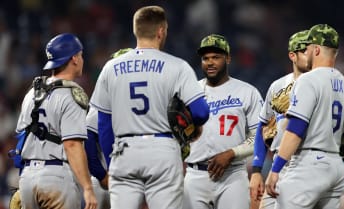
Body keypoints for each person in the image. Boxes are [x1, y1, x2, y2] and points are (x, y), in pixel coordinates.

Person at [89, 5, 210, 209]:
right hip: (162, 149)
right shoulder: (177, 66)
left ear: (136, 30)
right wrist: (187, 126)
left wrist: (112, 167)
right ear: (161, 31)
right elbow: (201, 112)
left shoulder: (110, 68)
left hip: (123, 151)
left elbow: (103, 124)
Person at [265, 24, 344, 209]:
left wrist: (275, 169)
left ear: (316, 49)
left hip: (309, 164)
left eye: (307, 48)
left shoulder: (307, 80)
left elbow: (296, 129)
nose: (306, 52)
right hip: (337, 169)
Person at [16, 33, 97, 209]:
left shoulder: (31, 93)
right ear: (74, 58)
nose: (82, 59)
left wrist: (25, 178)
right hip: (56, 177)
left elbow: (21, 139)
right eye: (81, 55)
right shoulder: (71, 94)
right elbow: (72, 145)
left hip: (27, 179)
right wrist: (88, 188)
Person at [183, 34, 263, 209]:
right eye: (206, 58)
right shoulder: (189, 93)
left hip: (232, 176)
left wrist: (232, 153)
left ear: (228, 58)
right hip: (195, 175)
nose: (210, 62)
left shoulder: (247, 92)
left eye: (216, 57)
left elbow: (259, 137)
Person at [249, 30, 310, 208]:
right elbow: (262, 128)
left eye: (313, 50)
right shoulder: (278, 86)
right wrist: (257, 170)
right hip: (279, 166)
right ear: (293, 55)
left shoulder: (322, 84)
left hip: (306, 161)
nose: (311, 55)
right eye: (304, 51)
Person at [84, 48, 133, 209]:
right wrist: (102, 176)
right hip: (101, 179)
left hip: (129, 177)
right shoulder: (101, 104)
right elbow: (89, 146)